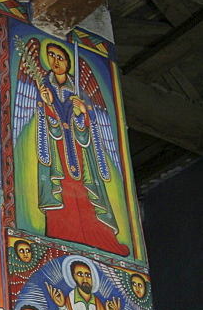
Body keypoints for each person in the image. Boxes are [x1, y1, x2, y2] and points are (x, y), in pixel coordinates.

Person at [14, 38, 129, 256]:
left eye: (60, 57)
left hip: (80, 151)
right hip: (56, 152)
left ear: (68, 62)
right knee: (62, 192)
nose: (55, 61)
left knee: (85, 193)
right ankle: (61, 234)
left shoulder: (77, 90)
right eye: (51, 57)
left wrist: (83, 114)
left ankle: (97, 237)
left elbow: (88, 127)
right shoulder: (45, 87)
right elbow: (48, 124)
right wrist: (47, 104)